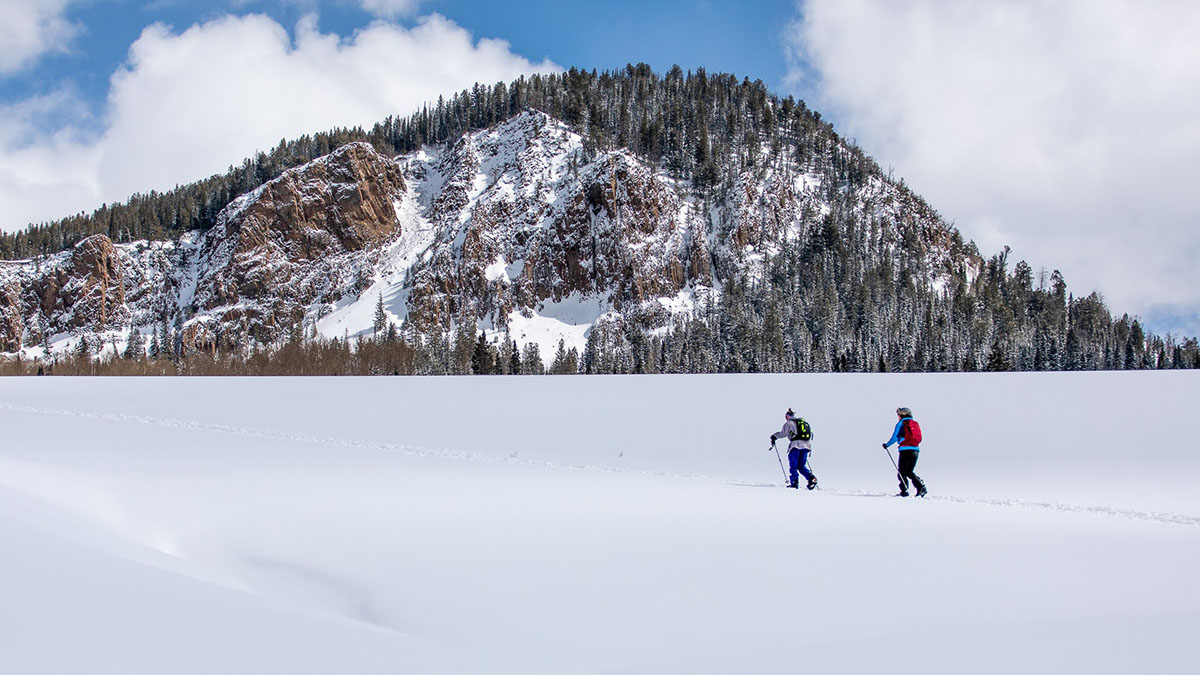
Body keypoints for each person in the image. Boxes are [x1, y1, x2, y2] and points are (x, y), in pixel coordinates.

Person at [883, 407, 927, 497]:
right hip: (915, 450)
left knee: (902, 472)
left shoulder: (901, 423)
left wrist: (887, 445)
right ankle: (921, 487)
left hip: (905, 450)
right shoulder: (915, 423)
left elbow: (894, 437)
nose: (898, 416)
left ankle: (904, 491)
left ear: (902, 415)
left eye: (898, 415)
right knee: (909, 471)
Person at [771, 408, 818, 490]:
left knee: (793, 465)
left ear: (787, 417)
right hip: (806, 446)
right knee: (801, 466)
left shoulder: (789, 423)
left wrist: (774, 436)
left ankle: (794, 483)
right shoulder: (802, 423)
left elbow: (783, 433)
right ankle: (811, 478)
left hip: (795, 446)